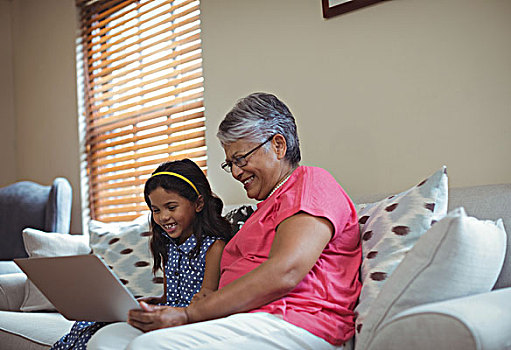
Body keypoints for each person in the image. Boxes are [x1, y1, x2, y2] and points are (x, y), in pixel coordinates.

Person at [87, 93, 362, 350]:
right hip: (241, 319)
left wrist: (190, 314)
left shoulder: (310, 183)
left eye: (241, 158)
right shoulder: (261, 212)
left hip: (297, 320)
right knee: (108, 339)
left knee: (147, 347)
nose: (235, 171)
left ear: (278, 145)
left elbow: (286, 271)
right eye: (230, 163)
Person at [52, 159, 231, 350]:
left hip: (187, 323)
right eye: (156, 210)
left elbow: (205, 303)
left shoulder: (214, 248)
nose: (163, 217)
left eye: (171, 207)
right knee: (87, 325)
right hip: (165, 315)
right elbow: (168, 297)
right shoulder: (168, 246)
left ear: (198, 203)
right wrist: (150, 303)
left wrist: (165, 312)